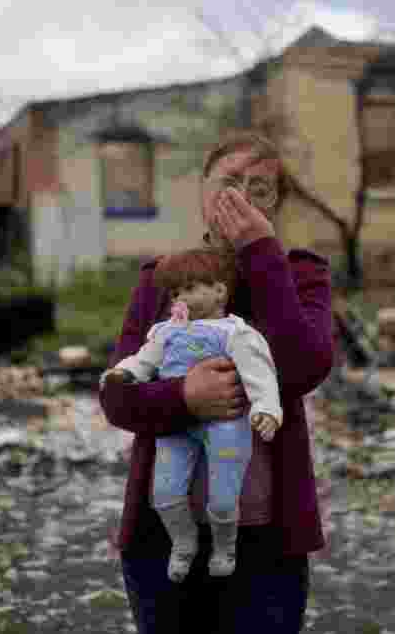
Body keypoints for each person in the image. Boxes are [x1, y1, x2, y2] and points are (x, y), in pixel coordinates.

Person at [99, 130, 335, 634]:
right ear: (202, 193)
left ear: (277, 205)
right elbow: (118, 397)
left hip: (266, 542)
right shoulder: (161, 279)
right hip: (162, 537)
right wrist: (184, 396)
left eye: (260, 189)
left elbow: (302, 369)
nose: (242, 198)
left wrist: (261, 253)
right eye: (229, 182)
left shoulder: (302, 276)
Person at [100, 248, 282, 582]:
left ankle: (225, 546)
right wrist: (120, 373)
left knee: (225, 497)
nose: (182, 297)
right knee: (165, 493)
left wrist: (267, 408)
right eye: (176, 292)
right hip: (177, 424)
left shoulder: (235, 333)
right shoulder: (164, 332)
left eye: (192, 287)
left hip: (226, 424)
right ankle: (184, 542)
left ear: (219, 290)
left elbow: (260, 374)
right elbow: (143, 360)